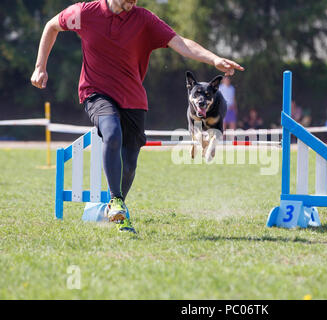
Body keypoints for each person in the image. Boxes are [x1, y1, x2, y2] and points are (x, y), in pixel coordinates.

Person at [30, 0, 244, 232]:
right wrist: (40, 66)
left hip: (133, 98)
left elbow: (180, 43)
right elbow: (52, 26)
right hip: (96, 93)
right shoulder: (85, 13)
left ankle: (113, 207)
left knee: (130, 164)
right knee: (111, 133)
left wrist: (213, 59)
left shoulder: (144, 20)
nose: (133, 1)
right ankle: (116, 202)